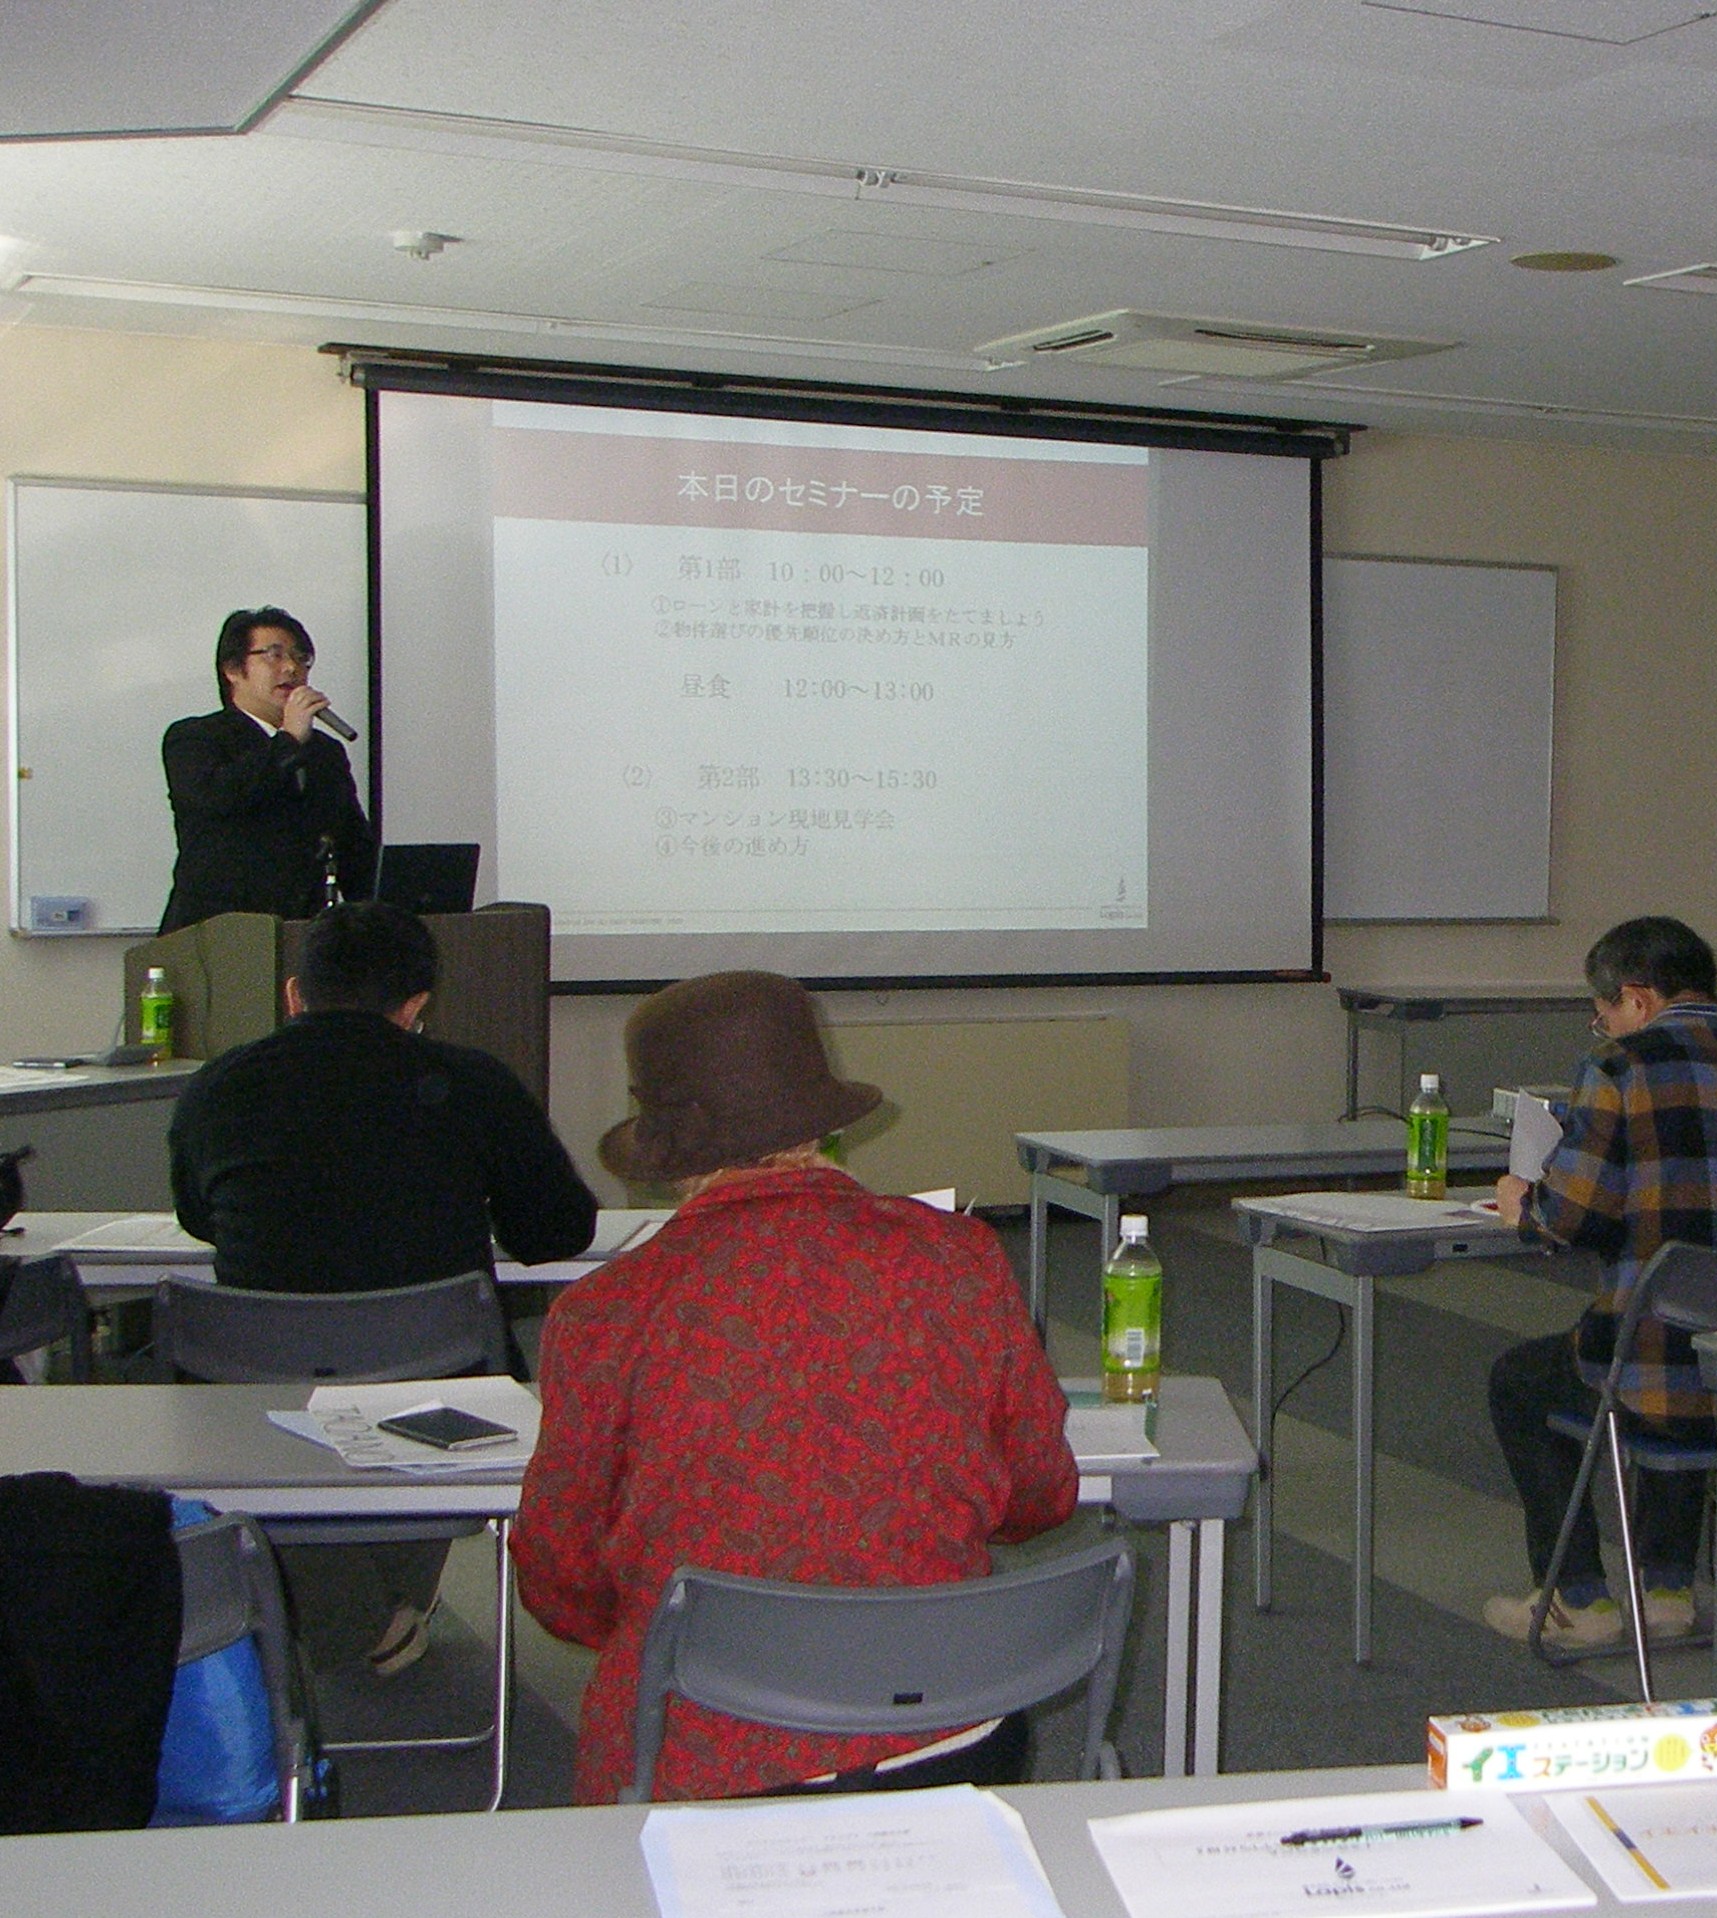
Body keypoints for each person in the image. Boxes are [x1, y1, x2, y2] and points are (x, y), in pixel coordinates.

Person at [513, 971, 1079, 1804]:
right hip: (946, 1729)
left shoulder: (605, 1312)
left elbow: (559, 1582)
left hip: (700, 1755)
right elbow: (1041, 1495)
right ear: (822, 1122)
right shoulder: (960, 1259)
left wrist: (686, 1630)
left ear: (668, 1152)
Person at [167, 901, 597, 1676]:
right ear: (415, 1003)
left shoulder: (220, 1085)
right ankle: (367, 1616)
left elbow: (200, 1219)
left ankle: (338, 1612)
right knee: (426, 1387)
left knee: (313, 1405)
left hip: (256, 1384)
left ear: (294, 994)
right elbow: (557, 1233)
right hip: (440, 1382)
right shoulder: (470, 1082)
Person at [1480, 916, 1717, 1649]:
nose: (1601, 1026)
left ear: (1636, 999)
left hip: (1658, 1374)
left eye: (1602, 1011)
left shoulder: (1618, 1067)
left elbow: (1567, 1219)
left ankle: (1577, 1596)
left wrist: (1520, 1202)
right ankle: (1666, 1589)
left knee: (1529, 1378)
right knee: (1696, 1325)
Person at [160, 606, 375, 933]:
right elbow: (223, 796)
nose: (291, 668)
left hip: (305, 932)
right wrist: (289, 740)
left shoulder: (324, 752)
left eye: (301, 658)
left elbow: (354, 849)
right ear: (233, 669)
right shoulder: (194, 737)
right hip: (218, 934)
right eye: (274, 655)